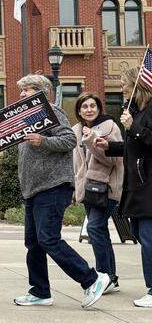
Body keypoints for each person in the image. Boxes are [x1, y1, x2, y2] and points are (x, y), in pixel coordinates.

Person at [13, 74, 110, 310]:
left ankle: (92, 279)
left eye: (27, 90)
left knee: (48, 239)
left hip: (53, 187)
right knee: (34, 243)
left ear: (41, 92)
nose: (22, 94)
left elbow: (69, 140)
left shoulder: (52, 112)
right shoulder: (26, 119)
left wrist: (42, 141)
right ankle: (40, 292)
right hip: (33, 190)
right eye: (22, 91)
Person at [95, 67, 152, 307]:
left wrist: (133, 128)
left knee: (148, 239)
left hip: (149, 185)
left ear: (136, 86)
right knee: (139, 235)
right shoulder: (136, 112)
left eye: (123, 84)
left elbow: (147, 139)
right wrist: (109, 146)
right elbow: (133, 148)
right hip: (135, 187)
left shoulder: (147, 112)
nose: (121, 89)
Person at [72, 92, 123, 293]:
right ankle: (111, 278)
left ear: (99, 108)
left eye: (92, 106)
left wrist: (92, 143)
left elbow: (113, 159)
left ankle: (103, 276)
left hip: (107, 187)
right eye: (84, 107)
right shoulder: (76, 129)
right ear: (79, 111)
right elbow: (77, 163)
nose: (89, 110)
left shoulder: (110, 127)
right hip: (87, 188)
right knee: (99, 231)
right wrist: (75, 188)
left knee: (94, 228)